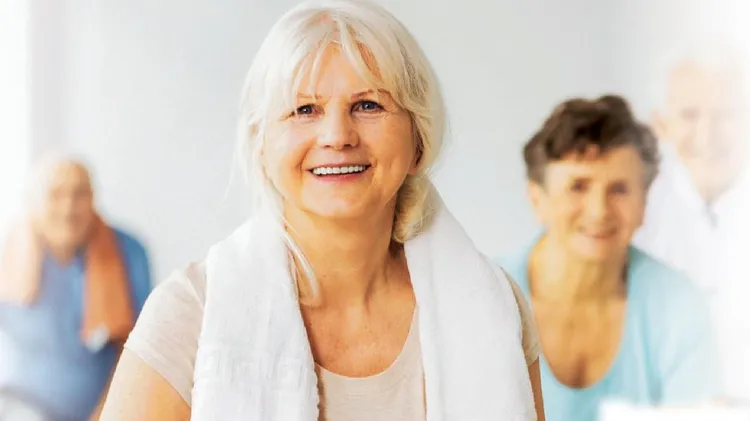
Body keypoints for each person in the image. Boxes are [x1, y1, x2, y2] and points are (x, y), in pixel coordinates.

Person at [99, 1, 545, 420]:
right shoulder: (189, 313)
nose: (337, 136)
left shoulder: (494, 305)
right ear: (262, 145)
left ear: (418, 141)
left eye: (368, 105)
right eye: (304, 109)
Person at [498, 95, 720, 421]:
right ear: (537, 198)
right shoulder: (489, 294)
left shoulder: (678, 304)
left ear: (644, 203)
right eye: (578, 186)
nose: (599, 211)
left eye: (619, 189)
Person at [631, 41, 750, 401]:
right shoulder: (632, 212)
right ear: (660, 124)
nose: (707, 135)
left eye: (727, 114)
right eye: (689, 115)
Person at [0, 155, 153, 421]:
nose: (68, 207)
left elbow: (139, 346)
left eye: (80, 194)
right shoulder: (8, 251)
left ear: (94, 198)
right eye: (56, 194)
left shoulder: (128, 252)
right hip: (21, 405)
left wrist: (110, 411)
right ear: (33, 201)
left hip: (107, 407)